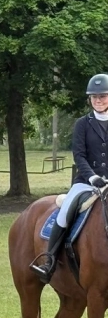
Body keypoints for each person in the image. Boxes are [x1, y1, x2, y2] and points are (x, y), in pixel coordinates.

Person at [31, 73, 108, 283]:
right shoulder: (83, 124)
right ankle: (50, 260)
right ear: (90, 99)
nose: (98, 100)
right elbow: (79, 155)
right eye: (94, 97)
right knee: (65, 211)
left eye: (102, 96)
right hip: (85, 183)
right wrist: (92, 178)